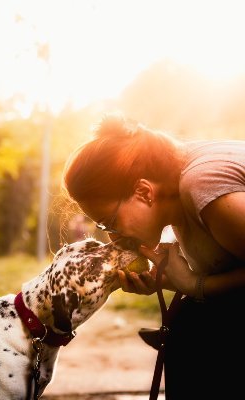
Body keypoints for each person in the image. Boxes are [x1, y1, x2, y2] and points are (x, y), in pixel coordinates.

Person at [61, 112, 245, 399]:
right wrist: (169, 280)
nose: (113, 237)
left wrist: (196, 286)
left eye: (109, 222)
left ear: (144, 191)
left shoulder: (203, 185)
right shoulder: (174, 177)